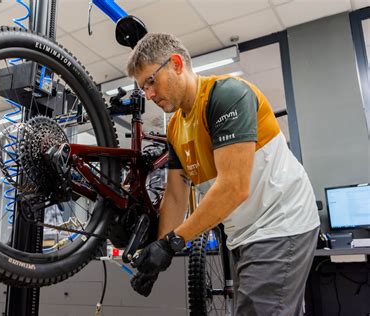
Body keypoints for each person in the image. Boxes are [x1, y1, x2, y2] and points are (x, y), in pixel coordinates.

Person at [126, 33, 321, 315]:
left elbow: (234, 187)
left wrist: (173, 243)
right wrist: (158, 256)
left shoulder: (226, 95)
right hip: (244, 231)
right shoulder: (175, 128)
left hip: (280, 221)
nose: (149, 95)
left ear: (177, 64)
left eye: (151, 81)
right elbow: (176, 195)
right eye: (143, 88)